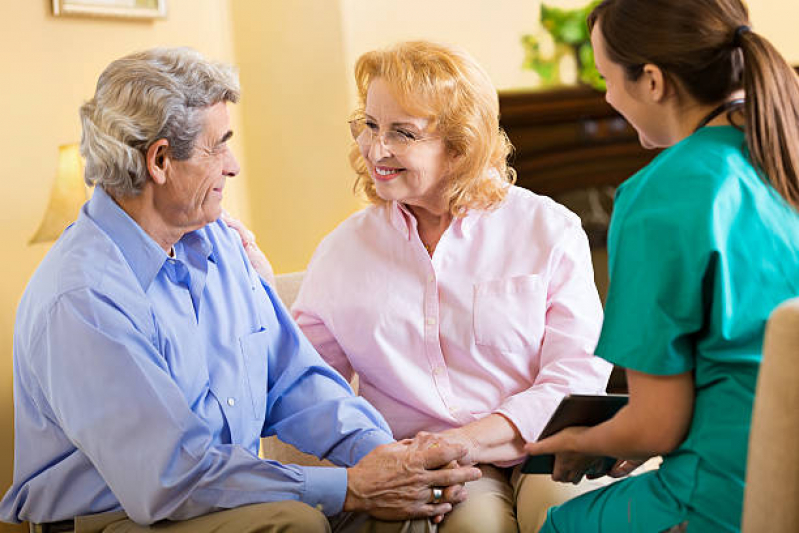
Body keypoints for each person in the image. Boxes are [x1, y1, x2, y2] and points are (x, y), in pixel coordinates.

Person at [0, 47, 482, 533]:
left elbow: (293, 380)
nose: (232, 165)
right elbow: (173, 476)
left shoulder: (216, 241)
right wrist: (352, 486)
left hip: (223, 495)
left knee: (410, 511)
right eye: (218, 146)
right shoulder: (83, 298)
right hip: (116, 516)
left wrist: (385, 458)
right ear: (161, 160)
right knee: (295, 523)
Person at [281, 41, 613, 533]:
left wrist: (473, 439)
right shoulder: (343, 250)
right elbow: (301, 382)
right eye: (369, 126)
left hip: (542, 443)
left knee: (568, 513)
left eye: (402, 133)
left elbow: (578, 372)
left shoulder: (548, 229)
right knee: (476, 524)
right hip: (432, 465)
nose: (376, 148)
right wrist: (384, 454)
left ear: (460, 145)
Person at [524, 1, 799, 531]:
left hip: (727, 496)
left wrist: (582, 440)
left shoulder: (662, 194)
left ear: (652, 80)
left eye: (606, 78)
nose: (606, 97)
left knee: (556, 524)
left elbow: (656, 426)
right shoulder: (782, 157)